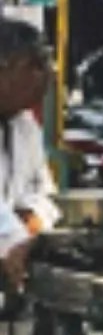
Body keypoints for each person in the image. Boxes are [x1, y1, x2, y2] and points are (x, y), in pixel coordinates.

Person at [0, 19, 60, 294]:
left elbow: (43, 189)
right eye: (34, 66)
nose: (47, 75)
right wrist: (14, 239)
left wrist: (34, 217)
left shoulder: (25, 125)